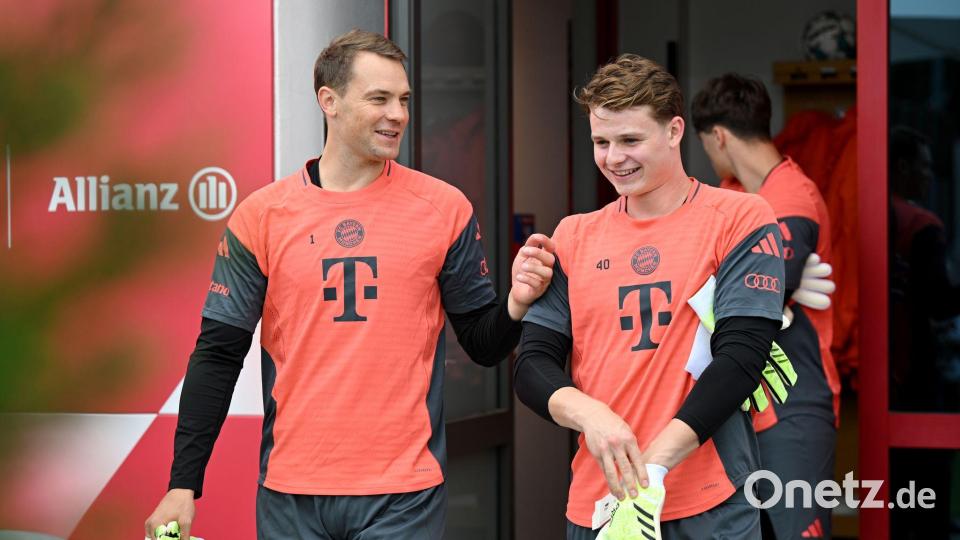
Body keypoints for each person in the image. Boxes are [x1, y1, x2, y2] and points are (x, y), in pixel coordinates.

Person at [144, 29, 556, 539]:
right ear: (329, 101)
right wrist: (184, 482)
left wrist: (516, 304)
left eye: (404, 100)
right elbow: (219, 354)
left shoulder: (444, 208)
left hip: (403, 494)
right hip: (291, 492)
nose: (398, 114)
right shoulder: (261, 217)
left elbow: (483, 342)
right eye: (379, 98)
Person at [514, 54, 786, 539]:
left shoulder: (739, 217)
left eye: (631, 140)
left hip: (710, 503)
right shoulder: (574, 235)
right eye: (601, 141)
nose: (614, 157)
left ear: (675, 131)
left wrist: (654, 469)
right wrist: (589, 414)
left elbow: (742, 359)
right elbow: (532, 364)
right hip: (601, 506)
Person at [692, 73, 840, 539]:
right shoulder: (735, 198)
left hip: (794, 400)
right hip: (742, 406)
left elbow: (763, 292)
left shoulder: (793, 196)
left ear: (718, 136)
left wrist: (738, 287)